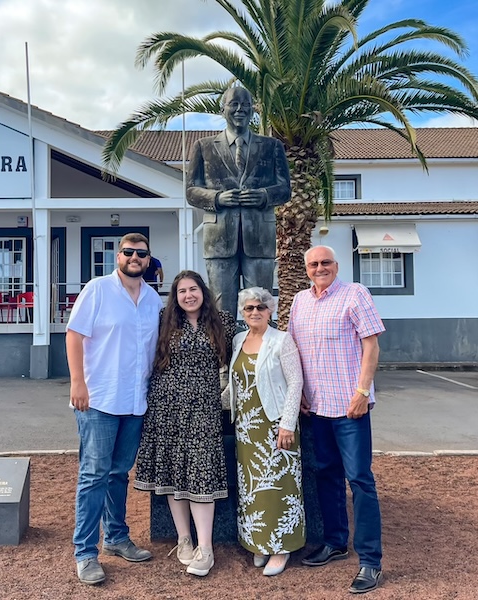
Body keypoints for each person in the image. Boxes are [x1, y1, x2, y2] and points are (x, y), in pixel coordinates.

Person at [66, 232, 163, 586]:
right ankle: (85, 553)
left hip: (135, 401)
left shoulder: (152, 299)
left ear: (148, 260)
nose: (134, 257)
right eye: (128, 252)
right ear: (117, 256)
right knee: (93, 476)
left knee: (119, 474)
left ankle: (117, 538)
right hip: (98, 399)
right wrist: (78, 382)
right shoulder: (97, 289)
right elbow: (74, 334)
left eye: (141, 253)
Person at [288, 245, 386, 594]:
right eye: (313, 264)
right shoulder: (300, 301)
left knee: (360, 480)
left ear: (336, 265)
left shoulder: (354, 294)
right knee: (326, 474)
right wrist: (298, 393)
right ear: (306, 269)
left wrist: (362, 391)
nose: (319, 268)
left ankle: (370, 562)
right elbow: (293, 349)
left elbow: (371, 346)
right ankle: (334, 542)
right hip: (317, 408)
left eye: (325, 262)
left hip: (349, 407)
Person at [134, 270, 236, 577]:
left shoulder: (224, 322)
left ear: (203, 292)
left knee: (201, 473)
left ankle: (205, 548)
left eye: (193, 289)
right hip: (166, 407)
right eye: (182, 291)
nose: (188, 295)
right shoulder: (164, 319)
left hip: (204, 410)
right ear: (175, 297)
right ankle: (184, 539)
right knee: (173, 472)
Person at [186, 86, 291, 318]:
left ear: (253, 110)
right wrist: (217, 198)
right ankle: (223, 354)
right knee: (221, 310)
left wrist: (264, 195)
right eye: (234, 104)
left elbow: (285, 190)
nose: (240, 109)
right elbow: (191, 191)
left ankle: (260, 353)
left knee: (260, 306)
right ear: (222, 109)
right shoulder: (203, 147)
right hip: (219, 240)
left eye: (245, 104)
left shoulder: (272, 146)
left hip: (260, 239)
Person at [227, 287, 305, 576]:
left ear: (270, 311)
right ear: (242, 313)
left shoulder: (282, 340)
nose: (255, 312)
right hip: (246, 428)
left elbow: (295, 382)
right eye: (249, 308)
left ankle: (281, 547)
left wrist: (287, 424)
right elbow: (235, 381)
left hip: (274, 424)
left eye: (260, 307)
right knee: (252, 487)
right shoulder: (238, 340)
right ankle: (259, 542)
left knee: (280, 486)